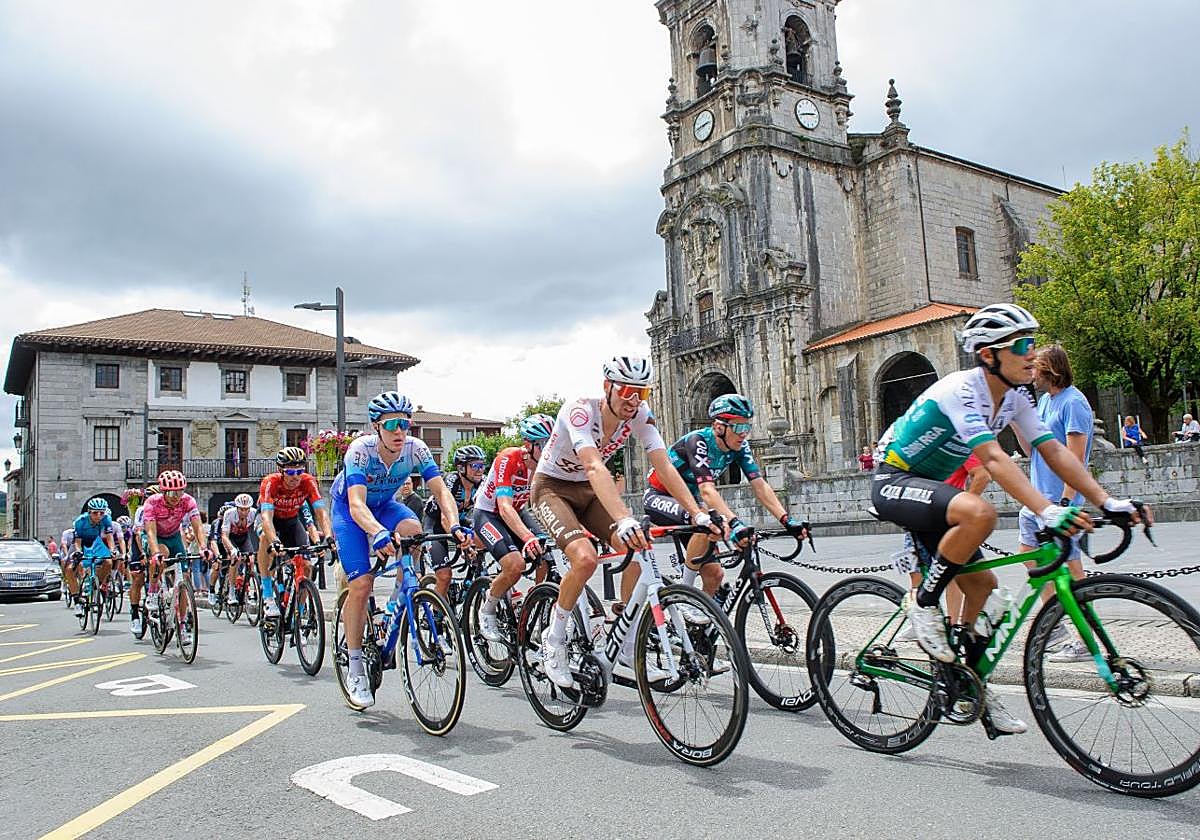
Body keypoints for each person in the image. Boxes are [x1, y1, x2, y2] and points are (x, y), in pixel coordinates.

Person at [872, 303, 1142, 735]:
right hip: (895, 480)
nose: (1032, 354)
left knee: (985, 587)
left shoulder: (1016, 398)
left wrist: (1108, 502)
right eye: (1022, 346)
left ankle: (968, 683)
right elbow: (993, 458)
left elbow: (1053, 451)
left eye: (1033, 344)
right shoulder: (961, 390)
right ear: (988, 355)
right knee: (980, 512)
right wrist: (1048, 510)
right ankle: (923, 607)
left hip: (934, 491)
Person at [530, 356, 719, 688]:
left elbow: (664, 466)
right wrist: (624, 517)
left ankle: (627, 639)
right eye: (628, 391)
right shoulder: (580, 410)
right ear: (608, 387)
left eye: (642, 393)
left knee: (637, 549)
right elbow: (593, 466)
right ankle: (554, 637)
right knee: (585, 558)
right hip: (552, 488)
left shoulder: (640, 415)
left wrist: (697, 513)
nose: (634, 401)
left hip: (589, 491)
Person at [331, 391, 471, 709]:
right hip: (351, 512)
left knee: (415, 533)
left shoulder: (416, 449)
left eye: (405, 425)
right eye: (392, 425)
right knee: (362, 584)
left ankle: (399, 600)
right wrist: (378, 533)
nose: (399, 432)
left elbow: (441, 493)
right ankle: (355, 668)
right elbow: (355, 504)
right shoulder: (360, 451)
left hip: (385, 505)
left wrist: (454, 526)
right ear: (376, 427)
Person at [641, 393, 808, 615]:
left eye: (747, 427)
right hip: (659, 497)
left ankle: (699, 625)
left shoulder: (740, 447)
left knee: (715, 576)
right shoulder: (698, 441)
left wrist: (787, 520)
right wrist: (734, 522)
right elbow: (707, 490)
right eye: (738, 427)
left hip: (690, 503)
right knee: (706, 520)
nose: (744, 434)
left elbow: (760, 485)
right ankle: (683, 593)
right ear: (719, 427)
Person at [1012, 344, 1095, 662]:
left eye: (1036, 369)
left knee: (1073, 572)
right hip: (1037, 500)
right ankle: (1054, 623)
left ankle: (1086, 639)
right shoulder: (1045, 401)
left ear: (1051, 371)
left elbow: (1075, 458)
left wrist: (1065, 501)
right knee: (1030, 556)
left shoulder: (1074, 403)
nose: (1031, 375)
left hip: (1059, 501)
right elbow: (1035, 451)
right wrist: (1017, 422)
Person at [472, 414, 555, 642]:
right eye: (544, 444)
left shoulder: (545, 466)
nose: (550, 449)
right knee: (515, 564)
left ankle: (537, 607)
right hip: (489, 513)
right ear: (529, 445)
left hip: (518, 511)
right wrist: (527, 537)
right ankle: (487, 609)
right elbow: (504, 506)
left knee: (547, 560)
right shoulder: (508, 458)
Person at [256, 447, 334, 619]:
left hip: (291, 521)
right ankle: (268, 594)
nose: (295, 476)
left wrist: (328, 536)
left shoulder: (308, 481)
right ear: (281, 471)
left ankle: (297, 611)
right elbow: (267, 518)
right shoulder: (271, 482)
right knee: (264, 538)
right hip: (271, 520)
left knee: (307, 566)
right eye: (290, 471)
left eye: (300, 470)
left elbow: (321, 512)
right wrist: (274, 540)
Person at [141, 471, 210, 632]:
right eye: (172, 492)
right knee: (162, 554)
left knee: (184, 579)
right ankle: (152, 591)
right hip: (157, 538)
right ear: (164, 492)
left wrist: (203, 547)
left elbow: (197, 526)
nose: (176, 496)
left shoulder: (187, 501)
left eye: (180, 491)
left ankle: (183, 622)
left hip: (174, 537)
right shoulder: (152, 502)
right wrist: (155, 552)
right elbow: (150, 532)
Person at [422, 443, 486, 598]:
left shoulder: (482, 483)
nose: (480, 469)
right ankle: (436, 614)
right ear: (461, 468)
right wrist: (462, 542)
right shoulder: (451, 481)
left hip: (461, 521)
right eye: (474, 465)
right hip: (435, 525)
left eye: (482, 465)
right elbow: (445, 518)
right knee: (444, 575)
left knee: (481, 552)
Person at [64, 498, 117, 618]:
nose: (99, 516)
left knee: (108, 562)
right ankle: (77, 600)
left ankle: (96, 585)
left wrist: (112, 550)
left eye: (101, 513)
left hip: (95, 542)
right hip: (81, 544)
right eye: (95, 513)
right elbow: (77, 541)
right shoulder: (80, 521)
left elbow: (109, 537)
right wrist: (78, 552)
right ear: (89, 512)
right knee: (70, 569)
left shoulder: (106, 519)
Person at [218, 493, 258, 608]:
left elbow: (256, 532)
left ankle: (248, 589)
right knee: (235, 559)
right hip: (231, 537)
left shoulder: (254, 513)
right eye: (241, 509)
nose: (244, 512)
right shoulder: (229, 514)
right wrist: (232, 549)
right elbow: (224, 536)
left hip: (244, 537)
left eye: (246, 509)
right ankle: (231, 592)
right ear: (237, 507)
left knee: (251, 560)